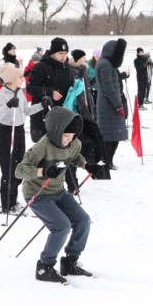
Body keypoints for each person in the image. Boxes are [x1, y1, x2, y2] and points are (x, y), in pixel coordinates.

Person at [15, 107, 109, 284]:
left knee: (83, 221)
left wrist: (87, 165)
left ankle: (69, 262)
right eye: (66, 136)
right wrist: (43, 170)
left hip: (58, 192)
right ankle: (45, 266)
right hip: (38, 193)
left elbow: (74, 156)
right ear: (56, 131)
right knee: (61, 226)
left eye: (73, 136)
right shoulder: (42, 147)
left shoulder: (74, 143)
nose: (69, 140)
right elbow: (19, 171)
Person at [0, 64, 48, 213]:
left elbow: (26, 110)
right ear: (10, 79)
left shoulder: (19, 92)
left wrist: (41, 106)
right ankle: (7, 203)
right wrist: (8, 105)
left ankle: (14, 199)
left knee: (19, 168)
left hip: (19, 131)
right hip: (6, 132)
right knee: (8, 170)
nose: (22, 79)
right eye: (19, 77)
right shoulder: (2, 94)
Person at [66, 49, 106, 191]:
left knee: (90, 143)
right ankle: (72, 181)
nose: (85, 59)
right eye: (82, 57)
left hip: (88, 113)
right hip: (77, 115)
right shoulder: (71, 72)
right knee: (76, 147)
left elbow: (88, 89)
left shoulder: (84, 71)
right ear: (77, 59)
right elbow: (74, 94)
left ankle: (93, 169)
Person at [27, 38, 74, 143]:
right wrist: (49, 92)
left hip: (62, 112)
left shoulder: (68, 68)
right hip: (43, 113)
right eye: (60, 53)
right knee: (44, 146)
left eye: (65, 53)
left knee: (61, 145)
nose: (63, 56)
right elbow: (30, 88)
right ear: (53, 53)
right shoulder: (40, 67)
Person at [95, 38, 129, 169]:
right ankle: (106, 160)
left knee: (114, 135)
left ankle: (108, 160)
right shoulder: (104, 65)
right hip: (108, 106)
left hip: (112, 105)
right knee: (110, 136)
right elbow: (108, 87)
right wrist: (118, 105)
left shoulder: (108, 65)